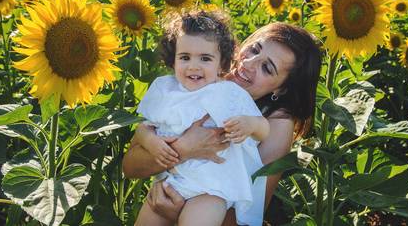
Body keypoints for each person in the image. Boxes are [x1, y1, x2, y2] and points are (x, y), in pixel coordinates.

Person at [123, 19, 322, 226]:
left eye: (267, 68)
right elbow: (130, 167)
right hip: (168, 192)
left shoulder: (276, 124)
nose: (248, 63)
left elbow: (245, 215)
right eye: (254, 49)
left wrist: (176, 212)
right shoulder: (199, 76)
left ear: (281, 89)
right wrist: (183, 149)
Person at [134, 9, 271, 226]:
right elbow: (143, 128)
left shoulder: (229, 93)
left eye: (205, 59)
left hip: (212, 189)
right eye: (184, 57)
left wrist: (249, 124)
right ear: (173, 61)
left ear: (222, 65)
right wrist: (151, 142)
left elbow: (264, 129)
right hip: (171, 182)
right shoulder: (165, 89)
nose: (193, 66)